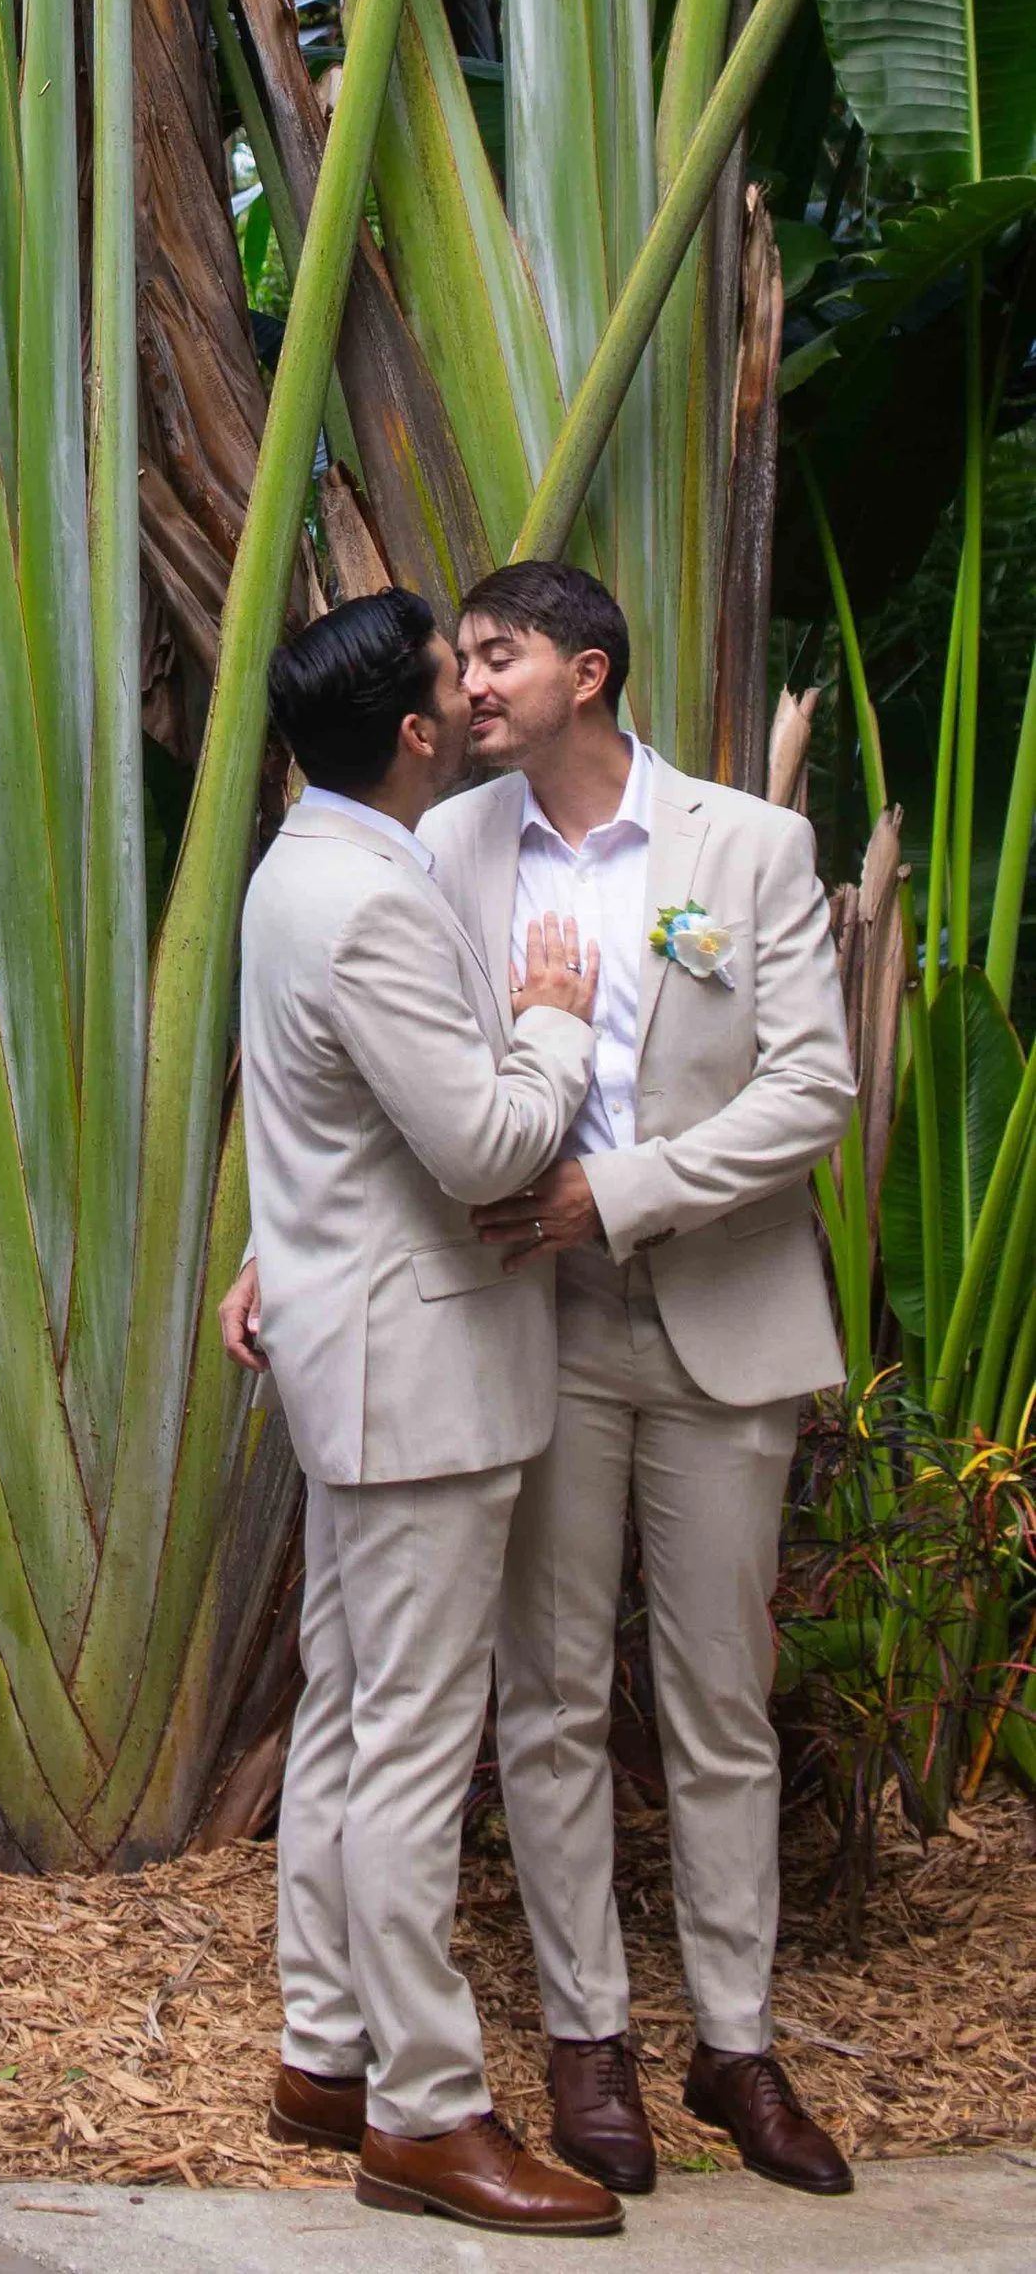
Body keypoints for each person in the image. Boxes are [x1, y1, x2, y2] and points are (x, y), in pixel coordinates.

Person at [423, 561, 857, 2200]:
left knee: (720, 1702)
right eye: (464, 657)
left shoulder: (747, 846)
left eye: (498, 653)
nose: (469, 682)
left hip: (720, 1320)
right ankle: (588, 2042)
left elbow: (811, 1088)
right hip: (536, 1323)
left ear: (587, 671)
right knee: (545, 1697)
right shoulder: (450, 848)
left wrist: (625, 1186)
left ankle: (736, 2043)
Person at [229, 587, 621, 2235]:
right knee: (405, 1743)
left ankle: (327, 2047)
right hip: (423, 1378)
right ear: (405, 731)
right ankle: (425, 2109)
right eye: (447, 682)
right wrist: (550, 1016)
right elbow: (483, 1147)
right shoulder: (368, 900)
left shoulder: (299, 862)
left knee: (347, 1713)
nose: (471, 692)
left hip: (354, 1356)